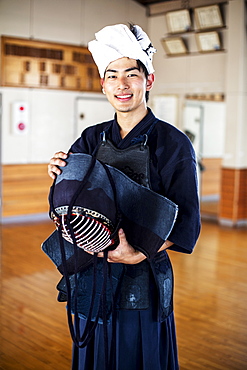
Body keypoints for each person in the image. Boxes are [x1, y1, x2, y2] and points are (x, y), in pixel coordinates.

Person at [48, 23, 200, 370]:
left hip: (142, 283)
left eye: (131, 74)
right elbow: (65, 205)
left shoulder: (173, 144)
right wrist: (57, 177)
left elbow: (188, 224)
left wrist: (137, 254)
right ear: (103, 84)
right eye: (112, 75)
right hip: (91, 275)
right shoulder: (90, 139)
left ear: (149, 80)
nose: (122, 84)